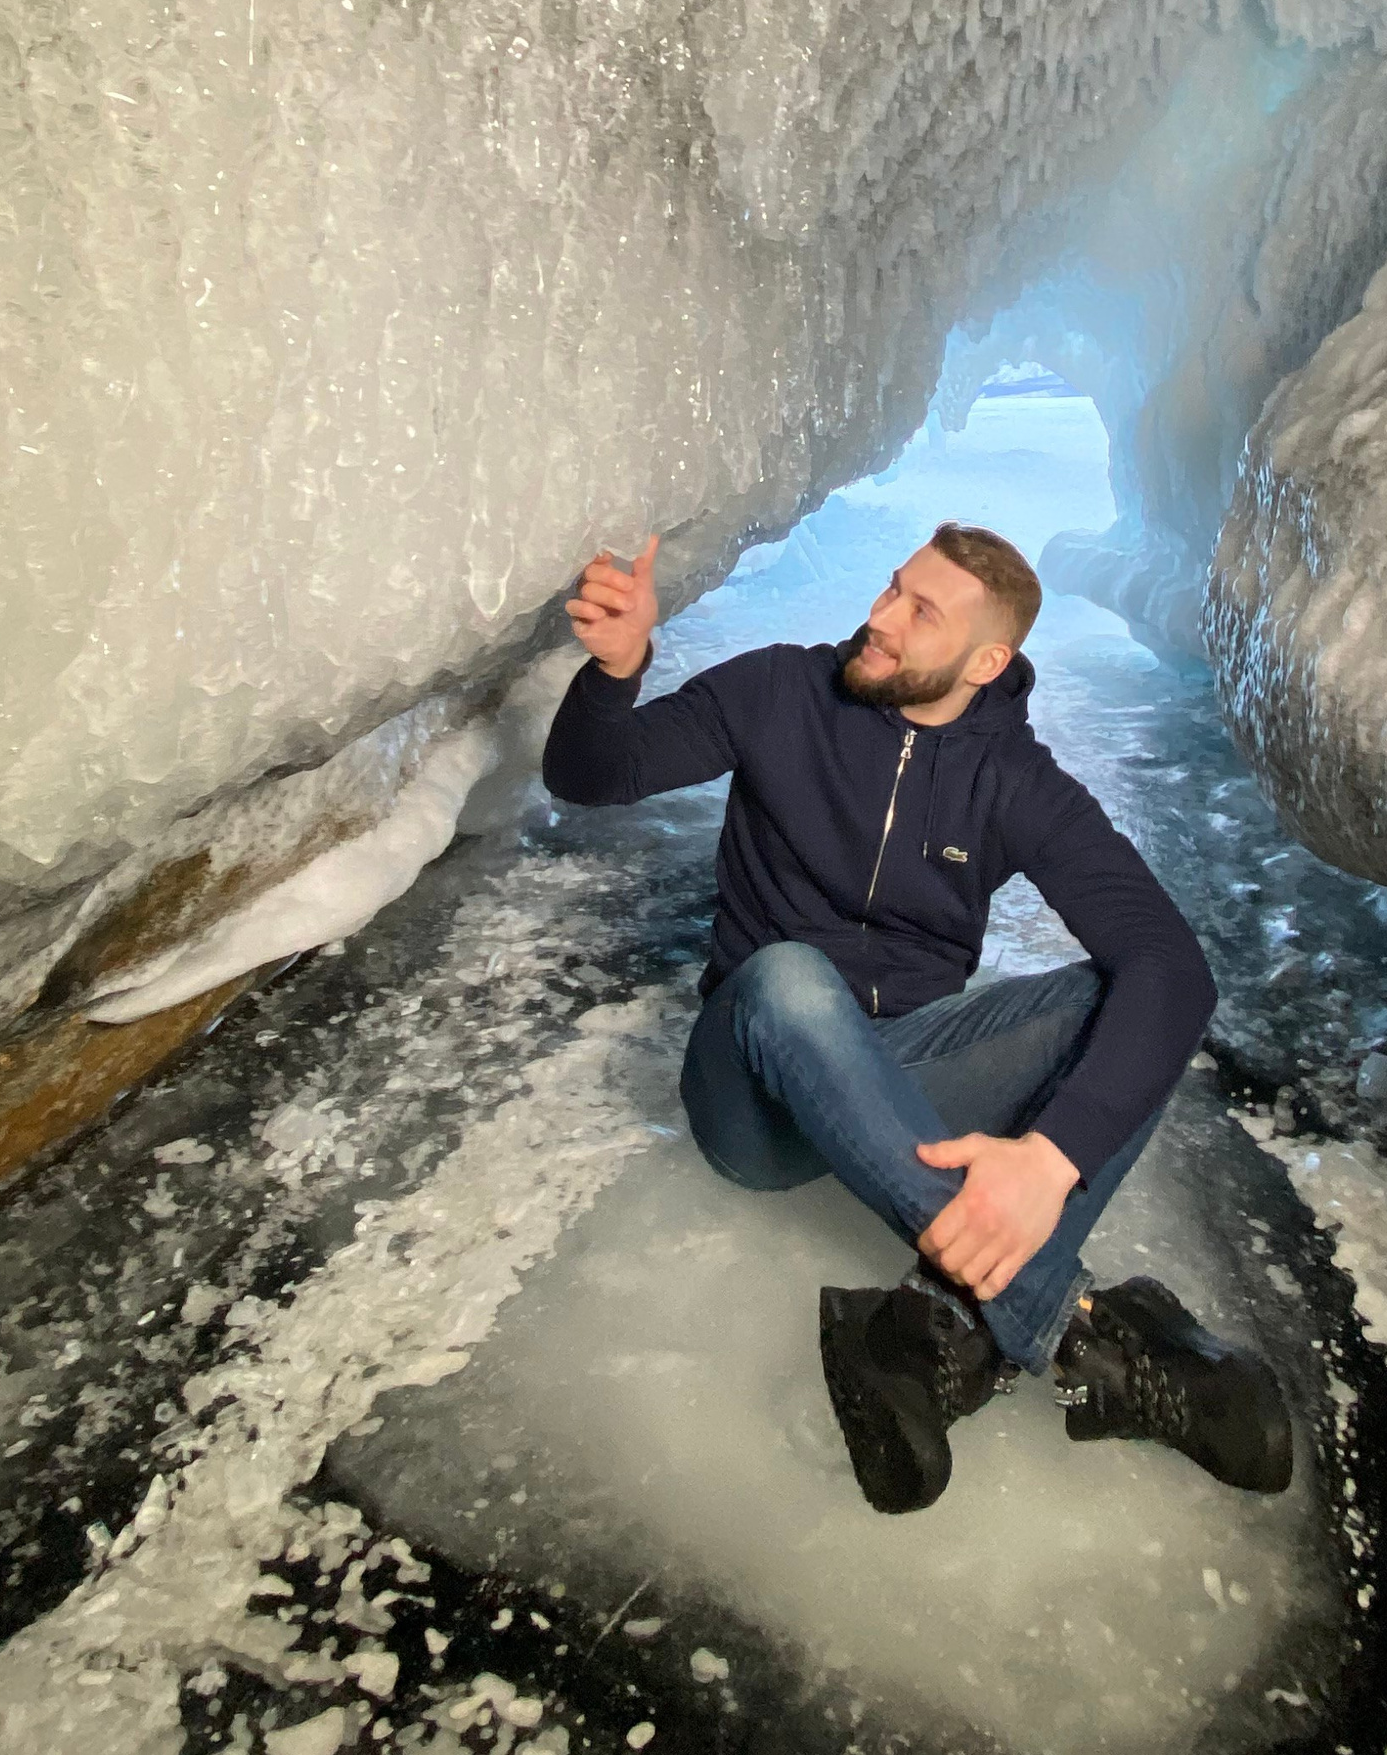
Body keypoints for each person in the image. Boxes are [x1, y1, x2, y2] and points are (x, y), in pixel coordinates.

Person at [542, 521, 1294, 1517]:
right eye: (892, 588)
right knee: (786, 976)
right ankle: (1068, 1322)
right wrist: (617, 666)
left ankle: (927, 1329)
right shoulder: (779, 689)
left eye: (918, 610)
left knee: (1120, 992)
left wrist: (1050, 1158)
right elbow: (592, 774)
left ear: (987, 660)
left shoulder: (1013, 782)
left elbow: (1171, 967)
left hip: (898, 1080)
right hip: (753, 1093)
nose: (879, 617)